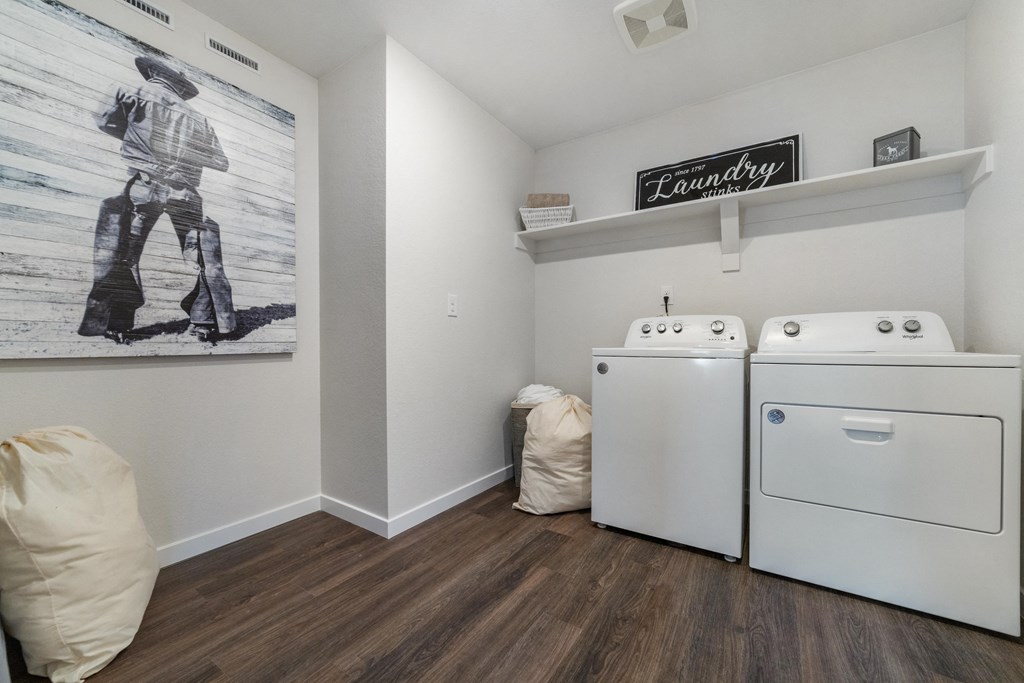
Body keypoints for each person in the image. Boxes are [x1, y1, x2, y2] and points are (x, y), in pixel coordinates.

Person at [78, 55, 236, 344]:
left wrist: (139, 143)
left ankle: (117, 325)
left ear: (153, 71)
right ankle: (203, 324)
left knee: (124, 254)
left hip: (143, 188)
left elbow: (103, 122)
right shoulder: (198, 118)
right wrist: (183, 156)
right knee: (203, 260)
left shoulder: (129, 92)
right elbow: (221, 161)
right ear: (179, 84)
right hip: (185, 193)